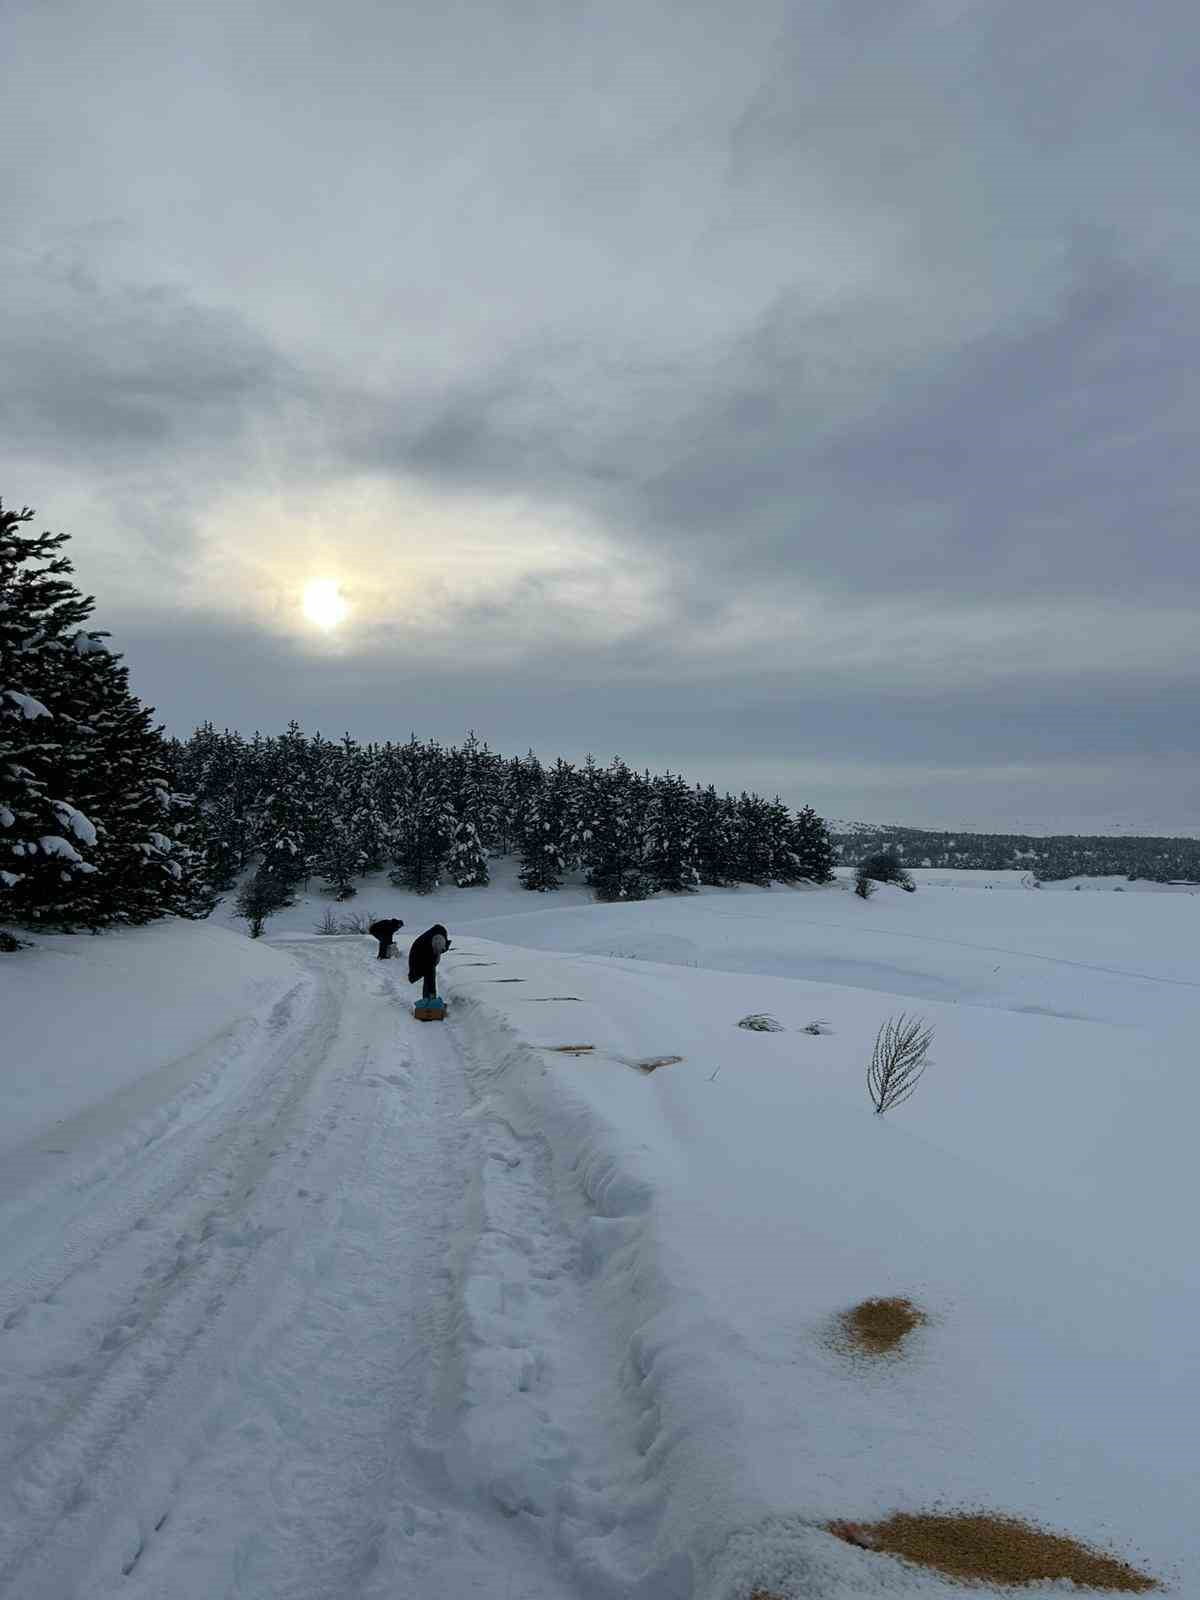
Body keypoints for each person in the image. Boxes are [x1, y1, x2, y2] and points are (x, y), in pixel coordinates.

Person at [408, 923, 451, 1000]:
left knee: (429, 976)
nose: (438, 953)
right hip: (419, 959)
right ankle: (429, 1001)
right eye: (436, 951)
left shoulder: (437, 938)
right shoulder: (426, 948)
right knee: (429, 976)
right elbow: (430, 972)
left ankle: (429, 1000)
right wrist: (432, 993)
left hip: (424, 958)